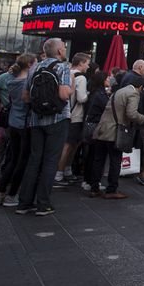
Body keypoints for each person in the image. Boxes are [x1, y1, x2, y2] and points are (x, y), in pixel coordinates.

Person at [16, 38, 73, 217]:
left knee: (34, 160)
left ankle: (24, 203)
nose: (64, 50)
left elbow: (25, 97)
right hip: (57, 119)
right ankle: (43, 204)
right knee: (50, 161)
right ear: (58, 52)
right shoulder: (62, 67)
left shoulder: (34, 68)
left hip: (36, 119)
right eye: (63, 48)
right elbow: (64, 95)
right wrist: (71, 86)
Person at [91, 70, 144, 199]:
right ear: (140, 87)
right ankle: (112, 189)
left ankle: (94, 187)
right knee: (115, 160)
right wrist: (143, 118)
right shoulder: (133, 93)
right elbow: (131, 114)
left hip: (102, 128)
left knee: (98, 160)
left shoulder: (118, 91)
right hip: (114, 131)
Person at [0, 54, 36, 206]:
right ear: (30, 64)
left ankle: (0, 192)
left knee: (12, 158)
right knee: (22, 160)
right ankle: (12, 194)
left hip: (13, 122)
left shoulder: (9, 79)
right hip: (25, 123)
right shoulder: (28, 82)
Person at [55, 52, 91, 186]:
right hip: (76, 115)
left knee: (69, 144)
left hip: (64, 113)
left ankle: (65, 171)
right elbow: (82, 98)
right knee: (70, 145)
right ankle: (60, 173)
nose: (88, 66)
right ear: (81, 63)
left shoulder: (67, 73)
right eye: (87, 63)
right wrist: (89, 94)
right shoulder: (81, 78)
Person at [81, 71, 110, 194]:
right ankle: (93, 182)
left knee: (91, 155)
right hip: (96, 126)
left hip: (91, 125)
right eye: (107, 78)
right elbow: (106, 107)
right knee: (95, 155)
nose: (109, 79)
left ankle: (88, 180)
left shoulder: (94, 93)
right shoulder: (100, 94)